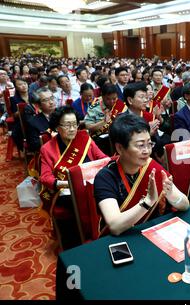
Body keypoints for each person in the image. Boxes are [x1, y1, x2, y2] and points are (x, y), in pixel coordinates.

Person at [94, 113, 189, 236]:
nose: (147, 151)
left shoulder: (150, 166)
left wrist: (172, 196)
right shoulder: (105, 177)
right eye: (140, 145)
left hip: (153, 233)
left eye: (149, 144)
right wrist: (147, 202)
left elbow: (185, 204)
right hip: (124, 238)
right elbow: (115, 226)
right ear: (120, 148)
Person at [40, 106, 107, 249]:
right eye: (67, 125)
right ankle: (83, 242)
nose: (72, 129)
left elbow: (103, 158)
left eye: (75, 124)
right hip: (66, 190)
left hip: (91, 185)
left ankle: (102, 235)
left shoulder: (84, 139)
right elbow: (45, 177)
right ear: (57, 127)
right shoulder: (47, 148)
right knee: (82, 201)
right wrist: (65, 183)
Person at [85, 83, 127, 155]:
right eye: (108, 99)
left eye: (114, 98)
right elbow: (88, 127)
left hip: (118, 137)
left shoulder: (120, 106)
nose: (111, 101)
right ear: (102, 96)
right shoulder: (94, 108)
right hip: (100, 139)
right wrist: (103, 122)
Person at [26, 87, 56, 152]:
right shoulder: (33, 122)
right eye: (46, 100)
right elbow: (33, 145)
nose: (51, 102)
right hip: (50, 153)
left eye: (52, 98)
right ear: (38, 105)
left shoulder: (64, 113)